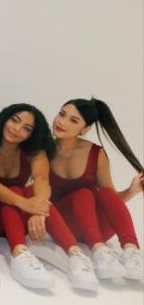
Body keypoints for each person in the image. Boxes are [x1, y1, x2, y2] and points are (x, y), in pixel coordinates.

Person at [0, 104, 98, 291]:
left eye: (26, 128)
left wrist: (40, 211)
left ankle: (75, 254)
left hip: (19, 221)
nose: (17, 129)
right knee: (16, 190)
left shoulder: (34, 152)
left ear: (31, 134)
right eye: (14, 120)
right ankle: (19, 255)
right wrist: (25, 204)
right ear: (4, 118)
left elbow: (42, 179)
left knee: (33, 189)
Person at [49, 98, 143, 280]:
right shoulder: (43, 151)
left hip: (99, 228)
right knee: (83, 193)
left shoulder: (96, 153)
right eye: (62, 114)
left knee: (105, 192)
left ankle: (131, 252)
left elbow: (111, 202)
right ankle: (98, 250)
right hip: (65, 225)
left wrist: (132, 191)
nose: (62, 122)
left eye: (73, 120)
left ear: (85, 129)